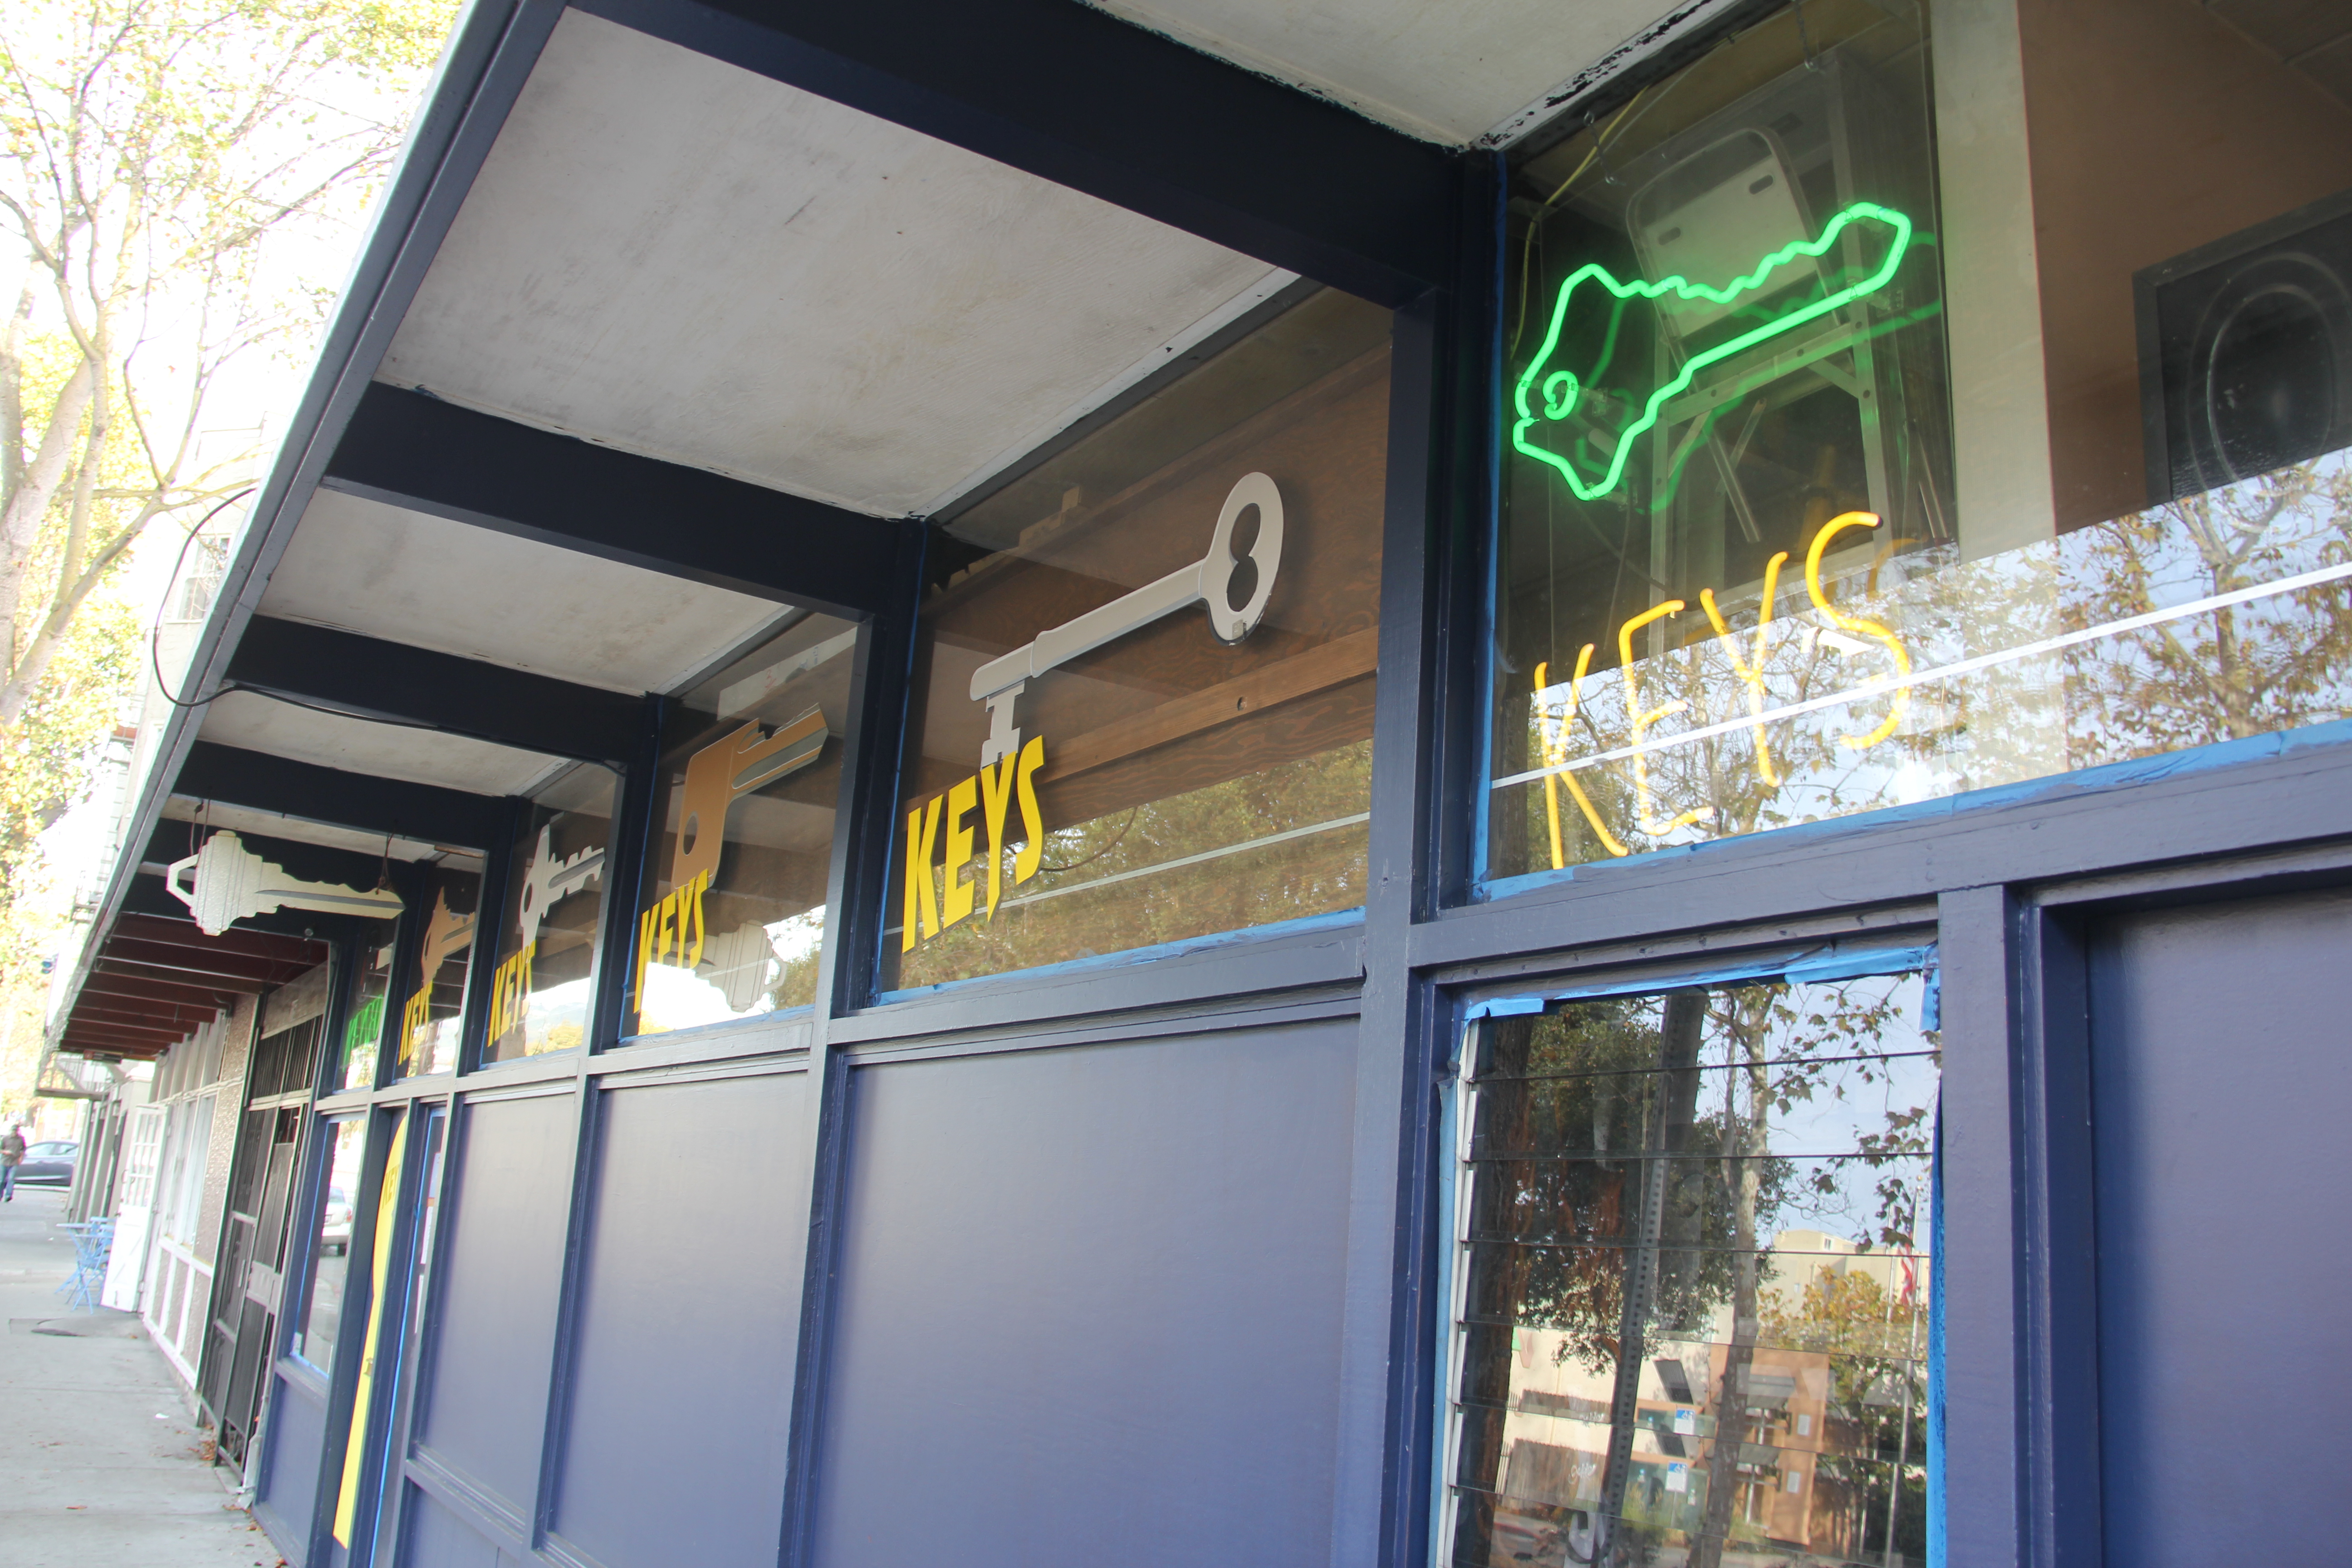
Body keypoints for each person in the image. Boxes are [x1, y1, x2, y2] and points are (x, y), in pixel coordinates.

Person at [0, 1124, 25, 1201]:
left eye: (16, 1131)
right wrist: (5, 1152)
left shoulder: (21, 1139)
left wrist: (21, 1158)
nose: (14, 1132)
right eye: (13, 1131)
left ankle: (8, 1195)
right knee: (2, 1180)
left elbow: (23, 1149)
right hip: (4, 1161)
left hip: (14, 1162)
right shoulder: (5, 1138)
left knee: (11, 1179)